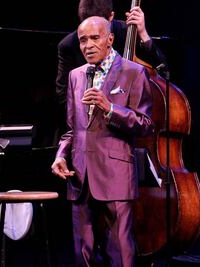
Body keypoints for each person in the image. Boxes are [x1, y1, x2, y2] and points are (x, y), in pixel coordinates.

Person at [51, 16, 154, 266]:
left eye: (94, 38)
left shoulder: (133, 72)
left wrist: (110, 109)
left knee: (119, 251)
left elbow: (145, 124)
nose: (88, 45)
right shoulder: (76, 75)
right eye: (83, 40)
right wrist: (61, 155)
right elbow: (72, 128)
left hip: (115, 175)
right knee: (82, 252)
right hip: (80, 175)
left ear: (110, 39)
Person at [54, 0, 166, 143]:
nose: (89, 45)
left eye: (96, 37)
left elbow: (163, 72)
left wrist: (143, 34)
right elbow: (64, 95)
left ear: (111, 17)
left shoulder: (128, 31)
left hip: (131, 134)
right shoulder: (68, 45)